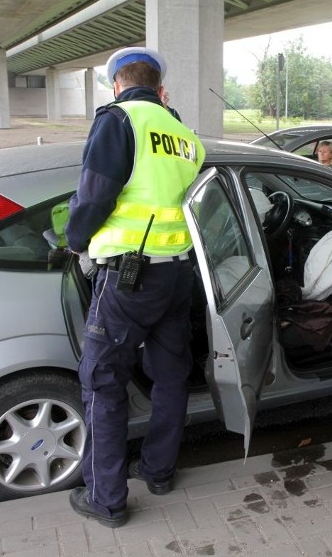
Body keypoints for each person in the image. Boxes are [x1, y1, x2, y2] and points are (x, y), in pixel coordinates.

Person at [64, 46, 206, 528]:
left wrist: (73, 241)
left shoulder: (119, 121)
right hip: (177, 273)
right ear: (159, 87)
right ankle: (160, 471)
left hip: (129, 277)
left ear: (117, 85)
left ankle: (107, 501)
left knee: (103, 383)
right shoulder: (184, 134)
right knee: (171, 375)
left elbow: (94, 194)